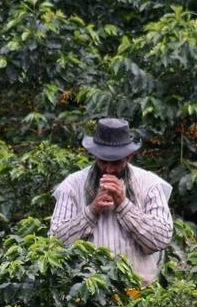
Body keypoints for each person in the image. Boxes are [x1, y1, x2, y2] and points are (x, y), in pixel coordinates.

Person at [50, 117, 173, 283]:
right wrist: (92, 210)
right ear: (94, 155)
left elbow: (160, 239)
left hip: (139, 294)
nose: (109, 169)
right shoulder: (72, 185)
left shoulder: (150, 184)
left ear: (129, 157)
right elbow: (57, 242)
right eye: (103, 161)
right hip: (88, 294)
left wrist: (123, 205)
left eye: (116, 162)